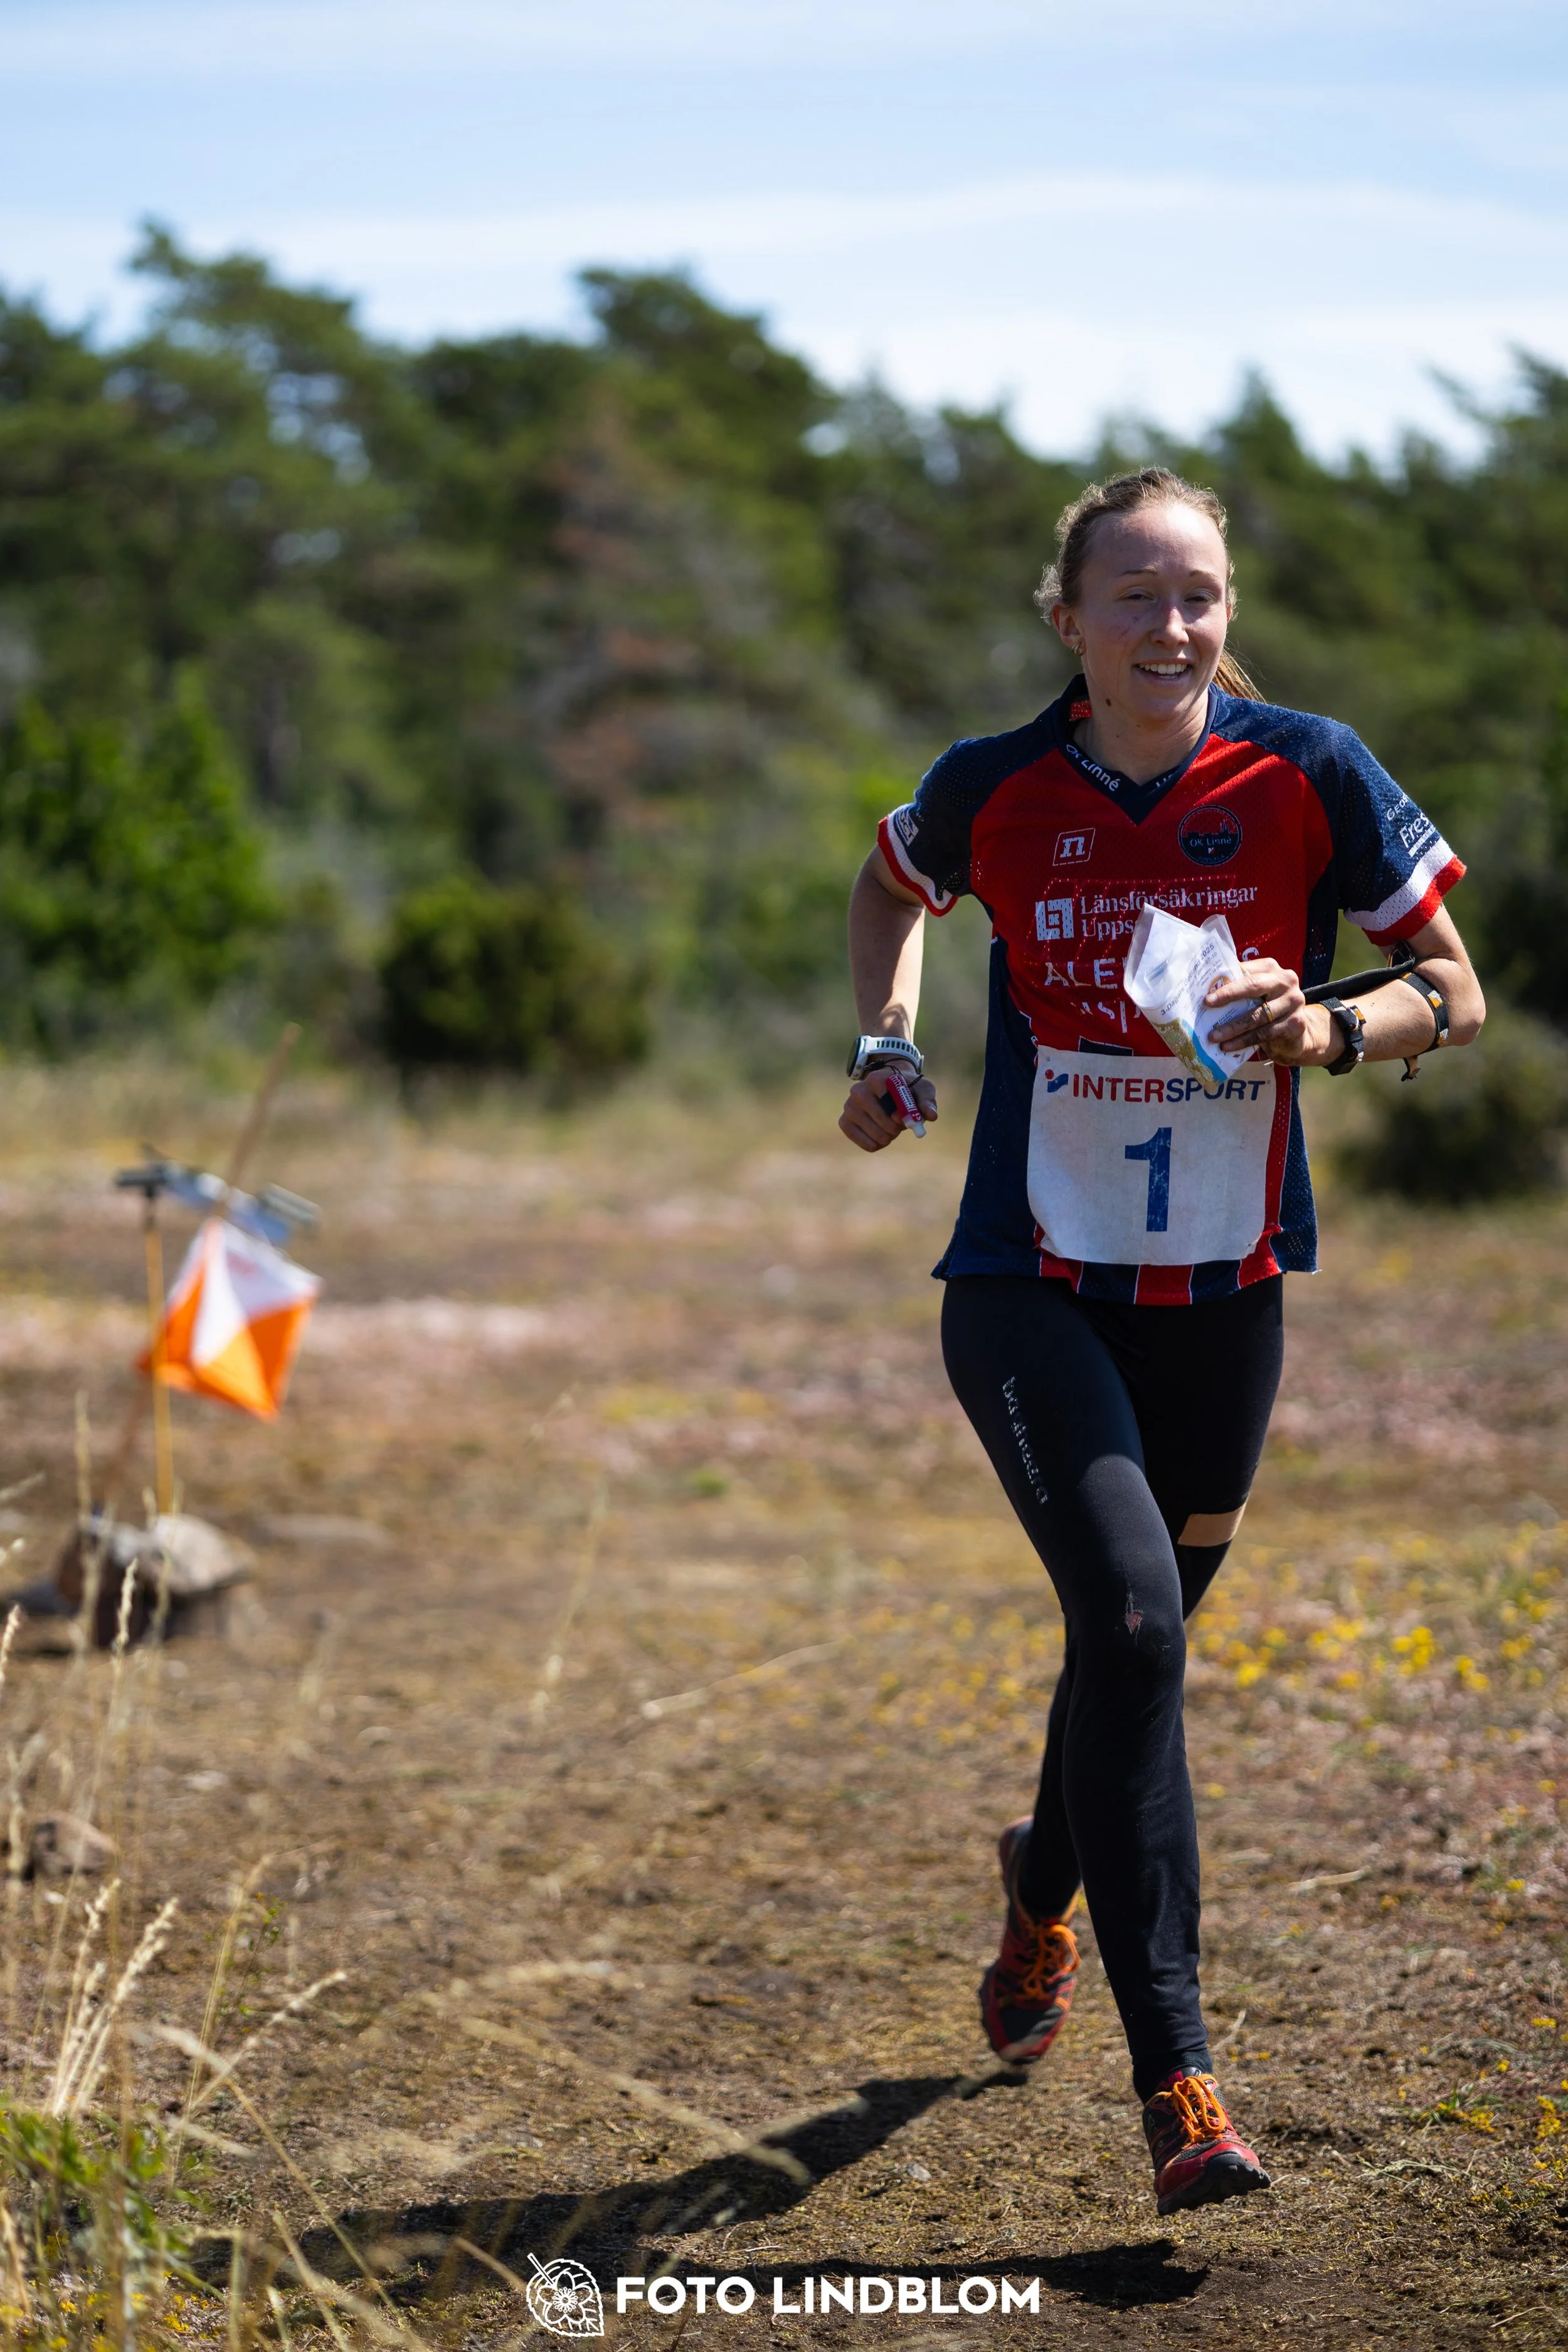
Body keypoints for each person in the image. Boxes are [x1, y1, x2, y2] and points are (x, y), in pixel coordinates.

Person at [839, 467, 1484, 2216]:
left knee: (1134, 1653)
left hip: (1222, 1295)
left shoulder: (1307, 770)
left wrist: (1327, 1028)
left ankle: (1039, 1879)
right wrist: (884, 1044)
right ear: (1070, 621)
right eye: (1132, 595)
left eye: (1195, 593)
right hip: (1029, 1281)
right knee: (1128, 1625)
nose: (1169, 625)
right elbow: (887, 887)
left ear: (1226, 611)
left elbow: (1455, 988)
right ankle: (1180, 2085)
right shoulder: (995, 784)